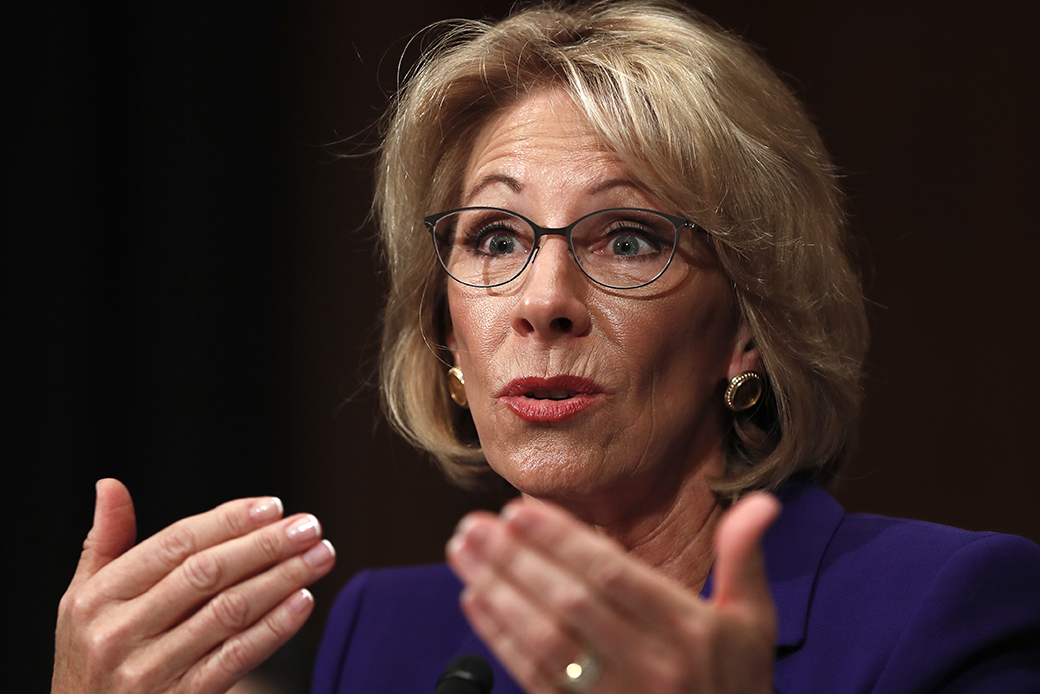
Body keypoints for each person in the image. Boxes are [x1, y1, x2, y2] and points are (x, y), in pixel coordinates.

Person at [52, 2, 1040, 694]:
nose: (544, 303)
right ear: (444, 329)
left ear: (747, 330)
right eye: (494, 238)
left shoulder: (942, 612)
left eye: (628, 238)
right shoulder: (389, 635)